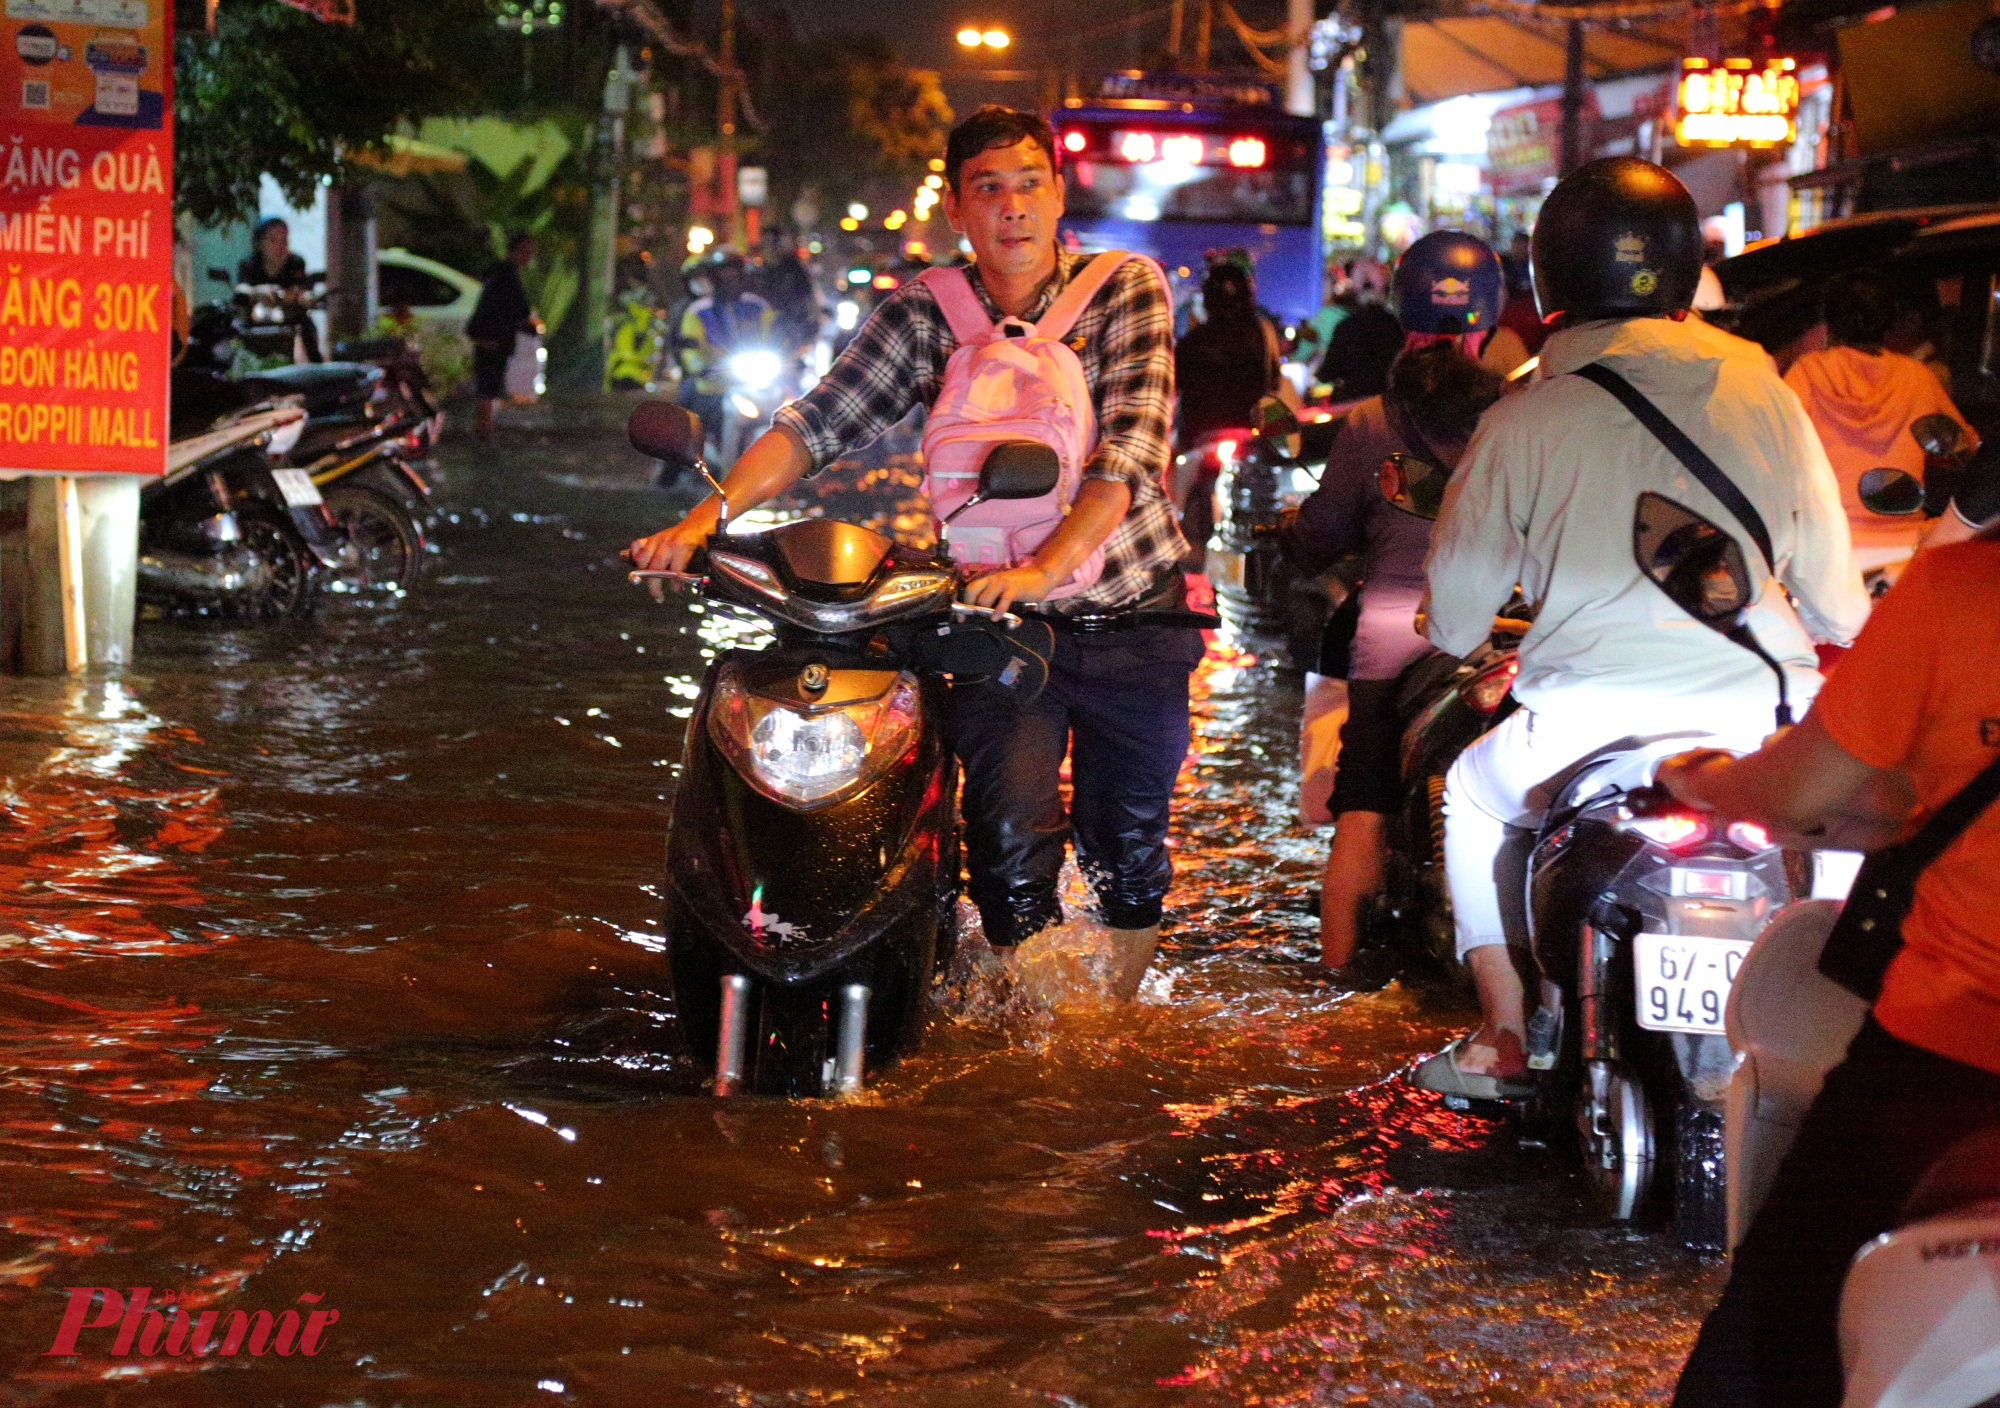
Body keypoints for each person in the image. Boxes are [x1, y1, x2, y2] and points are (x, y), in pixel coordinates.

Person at [628, 105, 1198, 1000]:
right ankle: (1027, 1031)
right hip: (998, 625)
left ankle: (1111, 1028)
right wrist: (707, 517)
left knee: (1128, 850)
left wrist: (1044, 568)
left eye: (1029, 185)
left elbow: (1131, 450)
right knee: (1007, 843)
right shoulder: (927, 312)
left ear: (1058, 197)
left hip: (1134, 618)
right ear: (958, 211)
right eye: (988, 190)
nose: (1012, 208)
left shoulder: (1124, 288)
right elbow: (817, 424)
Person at [1412, 158, 1870, 1100]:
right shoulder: (1768, 395)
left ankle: (1504, 1032)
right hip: (1762, 713)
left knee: (1472, 793)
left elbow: (1456, 623)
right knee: (1842, 824)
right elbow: (1837, 605)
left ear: (1550, 276)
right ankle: (1842, 1037)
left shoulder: (1524, 418)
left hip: (1585, 722)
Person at [1661, 525, 2000, 1408]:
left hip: (1945, 1056)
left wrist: (1703, 782)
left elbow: (1796, 791)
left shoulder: (1961, 588)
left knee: (1774, 1343)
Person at [1281, 231, 1508, 975]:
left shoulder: (1373, 420)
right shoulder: (1522, 412)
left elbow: (1324, 532)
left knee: (1362, 808)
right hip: (1505, 630)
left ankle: (1338, 975)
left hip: (1395, 630)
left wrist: (1295, 538)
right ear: (1490, 312)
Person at [1784, 270, 1977, 565]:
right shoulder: (1916, 377)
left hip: (1826, 546)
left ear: (1830, 322)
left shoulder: (1808, 373)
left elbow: (1778, 445)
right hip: (1905, 546)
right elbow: (1964, 448)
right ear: (1889, 321)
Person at [1173, 261, 1286, 552]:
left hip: (1200, 439)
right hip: (1250, 435)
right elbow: (1273, 382)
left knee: (1172, 496)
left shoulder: (1191, 342)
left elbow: (1173, 390)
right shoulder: (1263, 333)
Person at [672, 248, 776, 451]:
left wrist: (792, 355)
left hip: (756, 383)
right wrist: (700, 368)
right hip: (713, 387)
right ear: (713, 278)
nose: (729, 280)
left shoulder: (758, 306)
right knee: (686, 430)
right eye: (723, 275)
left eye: (734, 274)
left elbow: (776, 337)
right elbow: (690, 349)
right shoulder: (699, 311)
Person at [468, 231, 537, 439]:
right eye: (526, 252)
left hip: (488, 335)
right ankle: (485, 427)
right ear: (516, 251)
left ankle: (485, 425)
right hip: (493, 338)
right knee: (490, 384)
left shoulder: (498, 272)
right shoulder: (507, 275)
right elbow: (518, 309)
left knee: (488, 384)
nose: (529, 257)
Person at [236, 216, 322, 363]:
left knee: (307, 329)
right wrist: (257, 292)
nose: (280, 246)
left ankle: (316, 367)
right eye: (273, 240)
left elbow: (301, 289)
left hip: (289, 317)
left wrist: (304, 297)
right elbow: (242, 288)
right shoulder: (249, 264)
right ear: (259, 242)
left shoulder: (295, 262)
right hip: (257, 318)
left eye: (284, 240)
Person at [1315, 259, 1403, 403]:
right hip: (1386, 403)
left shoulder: (1346, 327)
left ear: (1356, 289)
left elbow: (1328, 372)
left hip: (1350, 403)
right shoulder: (1396, 326)